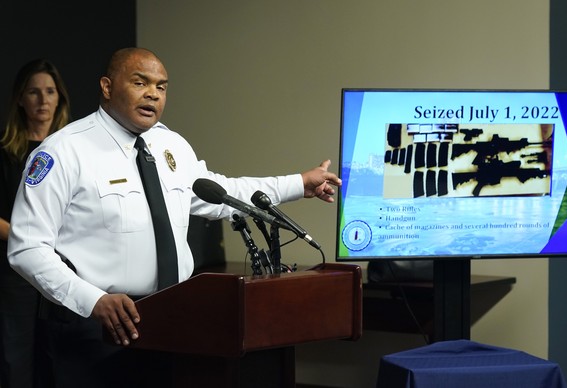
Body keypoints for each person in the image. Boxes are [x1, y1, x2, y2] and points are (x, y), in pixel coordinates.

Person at [7, 47, 341, 387]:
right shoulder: (63, 151)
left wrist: (299, 183)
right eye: (140, 83)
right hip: (97, 325)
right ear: (107, 87)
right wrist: (93, 301)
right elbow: (27, 248)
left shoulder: (171, 146)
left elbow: (222, 195)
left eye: (161, 87)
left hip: (172, 321)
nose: (153, 93)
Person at [0, 59, 70, 388]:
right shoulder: (6, 152)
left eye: (50, 92)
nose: (43, 100)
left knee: (58, 360)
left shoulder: (72, 153)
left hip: (65, 271)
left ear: (60, 99)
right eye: (33, 92)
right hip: (15, 276)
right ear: (20, 99)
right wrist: (31, 239)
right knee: (16, 360)